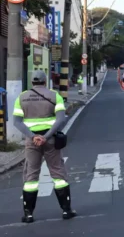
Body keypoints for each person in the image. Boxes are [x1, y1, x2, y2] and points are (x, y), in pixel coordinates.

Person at [13, 70, 77, 223]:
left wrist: (33, 136)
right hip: (51, 140)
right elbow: (60, 120)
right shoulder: (55, 96)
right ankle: (66, 210)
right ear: (45, 80)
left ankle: (28, 214)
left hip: (32, 141)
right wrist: (45, 137)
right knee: (58, 173)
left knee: (31, 176)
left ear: (32, 81)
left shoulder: (21, 97)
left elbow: (17, 122)